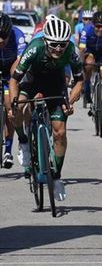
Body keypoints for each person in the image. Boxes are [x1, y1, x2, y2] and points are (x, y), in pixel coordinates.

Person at [8, 18, 84, 201]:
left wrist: (70, 100)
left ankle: (56, 177)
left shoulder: (71, 53)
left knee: (60, 132)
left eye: (62, 45)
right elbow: (14, 80)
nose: (58, 49)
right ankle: (24, 142)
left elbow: (80, 81)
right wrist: (13, 102)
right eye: (54, 45)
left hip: (55, 84)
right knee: (19, 109)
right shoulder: (34, 48)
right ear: (45, 41)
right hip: (31, 81)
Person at [0, 13, 26, 168]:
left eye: (4, 37)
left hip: (11, 71)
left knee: (10, 106)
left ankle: (8, 151)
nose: (1, 41)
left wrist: (13, 81)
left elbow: (21, 62)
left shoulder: (18, 35)